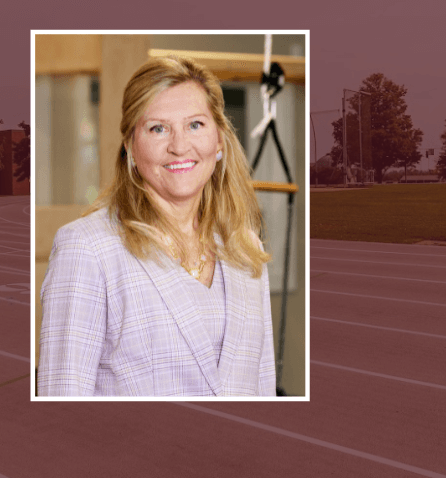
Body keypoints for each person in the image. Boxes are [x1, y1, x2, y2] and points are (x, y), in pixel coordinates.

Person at [38, 55, 275, 397]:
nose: (179, 146)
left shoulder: (246, 247)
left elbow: (263, 389)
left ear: (219, 140)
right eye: (158, 128)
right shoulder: (86, 249)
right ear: (131, 147)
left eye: (195, 124)